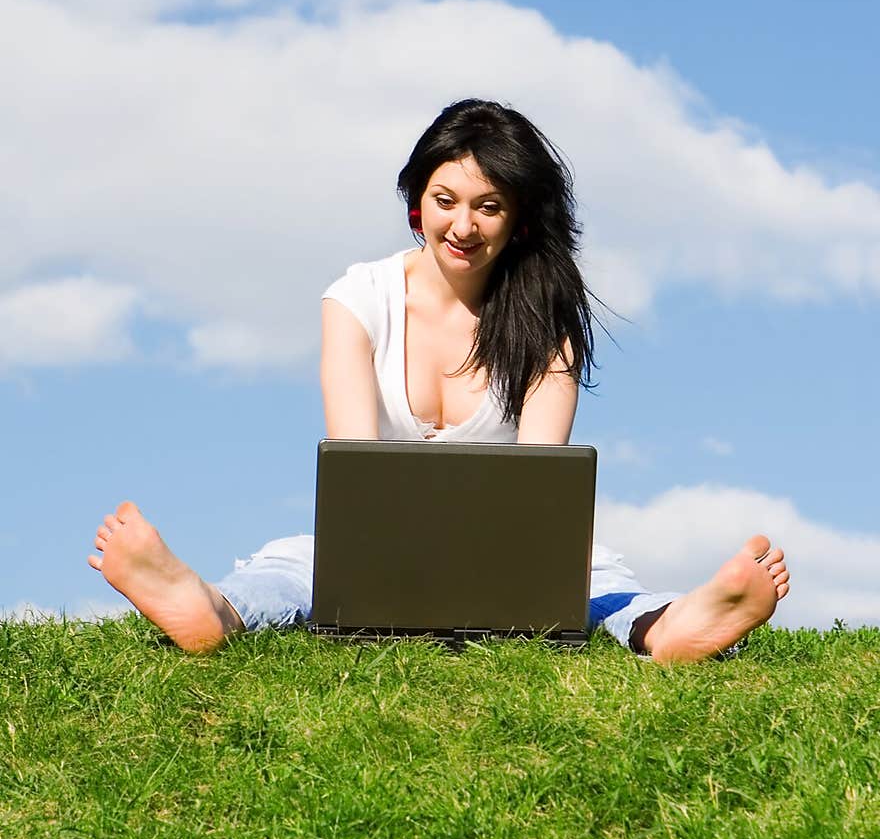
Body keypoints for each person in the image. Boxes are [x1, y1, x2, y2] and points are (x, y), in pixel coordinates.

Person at [88, 97, 790, 662]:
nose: (462, 225)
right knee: (294, 571)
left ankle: (675, 625)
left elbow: (539, 497)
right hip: (374, 553)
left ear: (517, 223)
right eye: (445, 199)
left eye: (488, 206)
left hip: (507, 556)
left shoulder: (547, 328)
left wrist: (510, 571)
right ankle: (205, 608)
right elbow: (359, 476)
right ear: (417, 202)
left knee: (598, 583)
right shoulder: (357, 300)